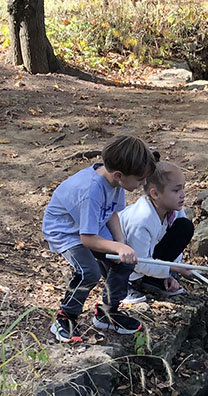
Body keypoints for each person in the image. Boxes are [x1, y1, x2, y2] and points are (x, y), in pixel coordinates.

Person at [42, 134, 156, 342]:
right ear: (119, 175)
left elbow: (112, 213)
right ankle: (65, 317)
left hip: (92, 225)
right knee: (89, 272)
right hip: (68, 232)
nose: (144, 183)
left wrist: (121, 245)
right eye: (140, 180)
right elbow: (87, 239)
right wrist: (117, 247)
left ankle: (107, 312)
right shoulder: (91, 190)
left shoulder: (113, 182)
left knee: (123, 263)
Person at [118, 159, 194, 304]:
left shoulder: (175, 209)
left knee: (185, 227)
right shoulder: (141, 219)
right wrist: (173, 268)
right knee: (132, 265)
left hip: (144, 258)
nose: (183, 194)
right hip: (125, 262)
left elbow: (175, 245)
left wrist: (169, 272)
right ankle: (130, 284)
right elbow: (139, 262)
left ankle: (155, 279)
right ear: (155, 194)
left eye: (183, 188)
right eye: (176, 190)